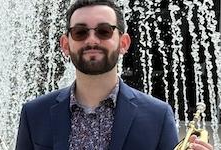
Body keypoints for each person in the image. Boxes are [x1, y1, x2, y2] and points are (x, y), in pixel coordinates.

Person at [16, 0, 213, 149]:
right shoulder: (34, 114)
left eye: (104, 31)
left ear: (124, 43)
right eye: (80, 32)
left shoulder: (158, 116)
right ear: (66, 45)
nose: (92, 40)